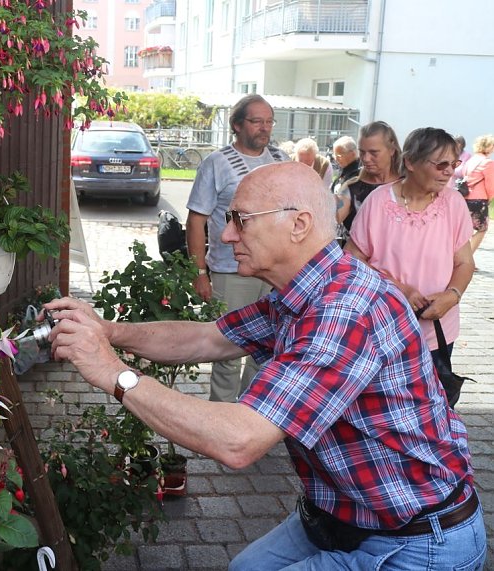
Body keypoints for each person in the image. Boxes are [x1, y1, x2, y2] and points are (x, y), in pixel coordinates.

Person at [44, 162, 486, 570]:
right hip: (342, 517)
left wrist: (110, 372)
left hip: (412, 542)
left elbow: (240, 441)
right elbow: (205, 337)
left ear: (299, 224)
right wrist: (110, 332)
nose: (226, 235)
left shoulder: (344, 309)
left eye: (241, 219)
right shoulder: (302, 292)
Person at [344, 128, 474, 392]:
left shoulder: (454, 203)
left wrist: (452, 295)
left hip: (437, 329)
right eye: (440, 164)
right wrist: (399, 290)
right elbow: (351, 260)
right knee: (383, 408)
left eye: (453, 164)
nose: (449, 171)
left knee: (432, 406)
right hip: (383, 328)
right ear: (411, 162)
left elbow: (464, 262)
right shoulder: (378, 201)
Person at [185, 94, 288, 403]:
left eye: (269, 121)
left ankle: (249, 414)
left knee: (267, 351)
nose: (265, 128)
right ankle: (221, 417)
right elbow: (195, 221)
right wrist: (199, 272)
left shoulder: (281, 161)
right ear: (237, 125)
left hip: (274, 272)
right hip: (232, 272)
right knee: (228, 352)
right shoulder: (217, 163)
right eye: (257, 121)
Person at [335, 121, 402, 234]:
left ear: (392, 150)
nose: (365, 158)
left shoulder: (408, 185)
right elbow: (330, 221)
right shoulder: (353, 188)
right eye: (362, 152)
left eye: (373, 152)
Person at [459, 134, 494, 254]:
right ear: (488, 147)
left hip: (465, 199)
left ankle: (461, 256)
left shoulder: (470, 161)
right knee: (482, 229)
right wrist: (490, 198)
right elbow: (491, 185)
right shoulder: (488, 163)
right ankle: (467, 256)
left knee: (466, 230)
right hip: (479, 200)